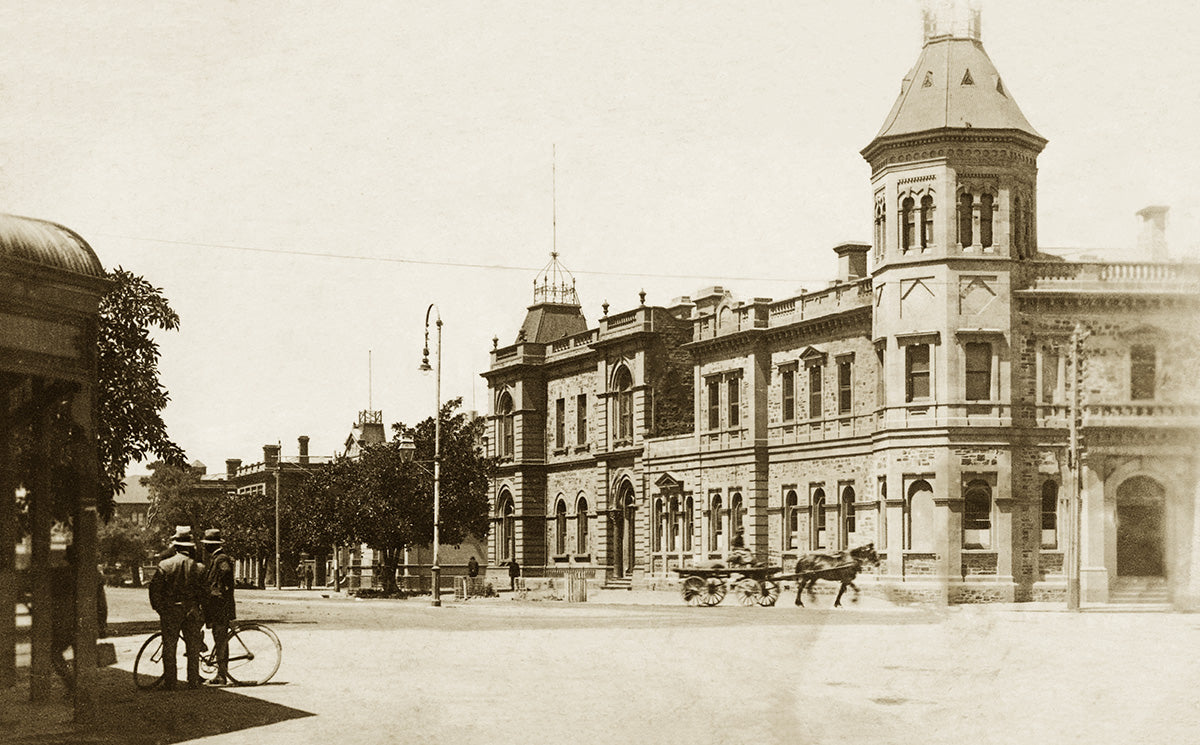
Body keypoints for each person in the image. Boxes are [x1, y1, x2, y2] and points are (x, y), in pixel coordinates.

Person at [149, 527, 207, 690]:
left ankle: (171, 682)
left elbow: (154, 590)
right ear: (189, 547)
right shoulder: (199, 567)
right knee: (193, 647)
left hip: (170, 611)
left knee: (169, 646)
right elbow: (204, 594)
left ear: (176, 546)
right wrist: (201, 611)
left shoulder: (165, 565)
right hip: (192, 611)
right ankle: (193, 680)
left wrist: (160, 609)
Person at [50, 544, 108, 693]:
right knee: (82, 656)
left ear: (68, 558)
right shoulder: (94, 575)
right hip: (87, 621)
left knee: (53, 652)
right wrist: (102, 624)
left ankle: (71, 683)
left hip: (64, 622)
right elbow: (101, 603)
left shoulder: (60, 574)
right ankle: (82, 688)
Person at [201, 528, 235, 686]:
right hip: (217, 606)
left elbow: (225, 575)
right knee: (218, 639)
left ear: (212, 545)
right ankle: (221, 672)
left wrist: (217, 591)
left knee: (221, 641)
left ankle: (222, 675)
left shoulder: (221, 559)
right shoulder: (216, 558)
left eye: (207, 544)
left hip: (220, 606)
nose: (205, 547)